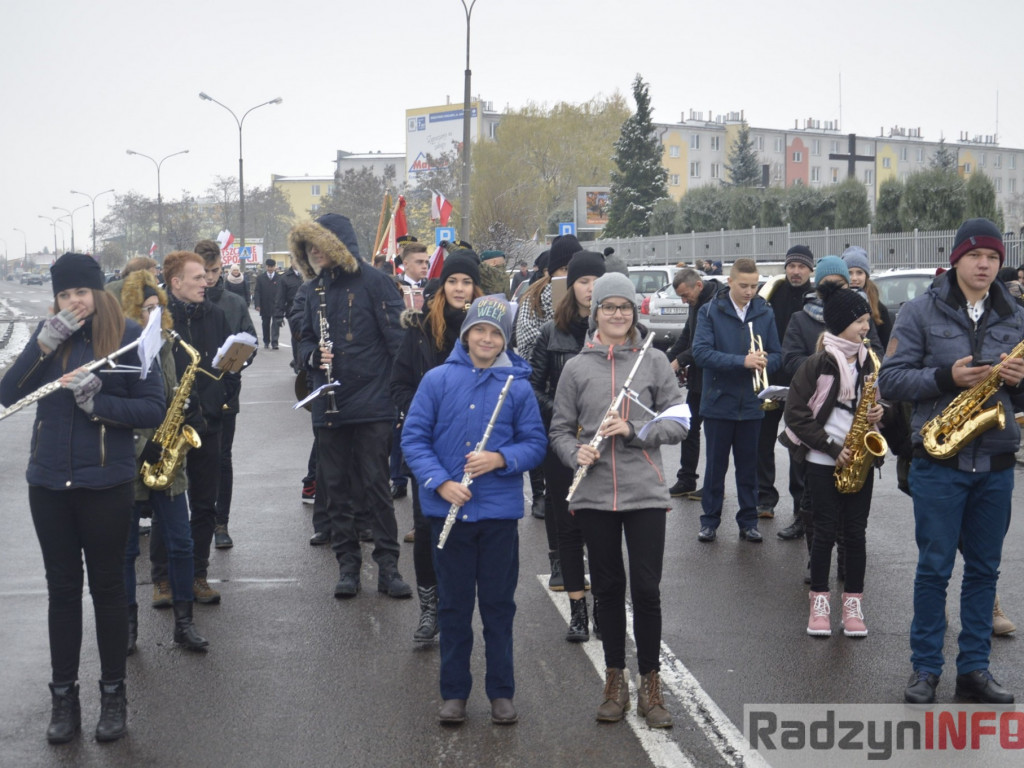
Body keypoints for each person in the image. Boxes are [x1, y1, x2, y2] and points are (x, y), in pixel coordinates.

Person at [0, 253, 165, 744]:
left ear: (99, 292)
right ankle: (63, 697)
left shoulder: (130, 337)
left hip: (105, 484)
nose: (74, 302)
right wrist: (40, 347)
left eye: (81, 292)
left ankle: (113, 695)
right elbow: (9, 394)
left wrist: (99, 404)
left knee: (110, 591)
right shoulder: (46, 337)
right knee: (62, 592)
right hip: (48, 483)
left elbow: (152, 406)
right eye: (65, 294)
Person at [878, 218, 1023, 705]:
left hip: (996, 463)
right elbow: (891, 382)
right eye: (976, 256)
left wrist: (1020, 381)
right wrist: (946, 376)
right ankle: (924, 670)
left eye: (993, 258)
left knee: (985, 570)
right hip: (939, 462)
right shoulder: (918, 311)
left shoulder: (1015, 316)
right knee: (933, 570)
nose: (985, 265)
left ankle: (974, 671)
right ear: (957, 258)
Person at [401, 295, 546, 726]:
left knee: (499, 606)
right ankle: (454, 693)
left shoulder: (516, 386)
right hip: (450, 514)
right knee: (454, 607)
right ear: (467, 335)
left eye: (495, 333)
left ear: (504, 340)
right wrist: (441, 482)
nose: (486, 339)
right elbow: (414, 439)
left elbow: (535, 444)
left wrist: (500, 459)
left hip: (499, 517)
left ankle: (501, 692)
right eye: (479, 331)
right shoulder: (437, 380)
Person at [549, 272, 685, 727]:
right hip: (591, 494)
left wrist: (636, 431)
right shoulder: (576, 367)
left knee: (646, 591)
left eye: (624, 307)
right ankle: (615, 680)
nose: (617, 314)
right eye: (608, 307)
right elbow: (560, 430)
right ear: (596, 312)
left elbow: (680, 422)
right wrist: (574, 452)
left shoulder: (654, 362)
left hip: (644, 492)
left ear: (634, 312)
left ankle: (651, 684)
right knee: (607, 590)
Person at [292, 213, 410, 599]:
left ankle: (388, 566)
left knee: (376, 486)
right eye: (307, 246)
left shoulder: (376, 282)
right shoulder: (312, 291)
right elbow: (305, 341)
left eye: (319, 243)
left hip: (373, 401)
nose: (313, 252)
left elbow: (398, 343)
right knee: (335, 487)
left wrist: (400, 399)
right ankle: (347, 566)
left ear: (338, 244)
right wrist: (313, 358)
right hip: (329, 403)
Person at [391, 252, 483, 642]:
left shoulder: (489, 329)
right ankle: (430, 609)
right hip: (429, 446)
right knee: (428, 527)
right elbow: (398, 385)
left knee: (472, 529)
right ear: (442, 286)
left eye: (467, 282)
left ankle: (457, 606)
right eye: (453, 281)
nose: (460, 289)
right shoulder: (421, 331)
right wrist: (428, 410)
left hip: (477, 449)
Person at [783, 282, 883, 637]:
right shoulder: (817, 363)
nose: (865, 326)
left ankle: (853, 603)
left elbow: (877, 404)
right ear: (840, 323)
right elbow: (795, 414)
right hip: (823, 459)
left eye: (866, 320)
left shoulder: (868, 360)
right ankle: (820, 601)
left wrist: (876, 415)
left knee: (856, 534)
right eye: (859, 320)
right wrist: (829, 446)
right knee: (824, 532)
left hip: (858, 458)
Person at [118, 270, 208, 655]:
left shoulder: (170, 345)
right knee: (125, 551)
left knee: (182, 544)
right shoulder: (118, 351)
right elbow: (115, 408)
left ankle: (184, 626)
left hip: (168, 463)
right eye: (144, 309)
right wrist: (142, 445)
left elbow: (176, 393)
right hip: (129, 463)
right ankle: (126, 629)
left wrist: (192, 412)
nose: (153, 315)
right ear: (129, 313)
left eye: (157, 308)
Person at [530, 251, 606, 637]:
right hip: (562, 440)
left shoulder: (616, 331)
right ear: (570, 286)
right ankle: (578, 609)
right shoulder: (551, 332)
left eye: (597, 281)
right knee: (567, 522)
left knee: (604, 527)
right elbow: (533, 386)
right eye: (583, 281)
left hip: (606, 445)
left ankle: (605, 609)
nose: (591, 289)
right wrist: (563, 415)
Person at [157, 251, 238, 606]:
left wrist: (222, 390)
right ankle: (162, 579)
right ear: (176, 283)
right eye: (197, 278)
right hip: (171, 423)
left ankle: (198, 574)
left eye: (206, 276)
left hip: (208, 421)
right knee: (167, 499)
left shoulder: (216, 314)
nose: (205, 282)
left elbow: (225, 367)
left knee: (204, 503)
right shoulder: (158, 319)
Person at [692, 258, 781, 544]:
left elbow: (778, 354)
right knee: (715, 467)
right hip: (719, 402)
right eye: (743, 285)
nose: (750, 291)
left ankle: (748, 521)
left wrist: (765, 361)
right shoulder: (710, 311)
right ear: (729, 282)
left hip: (752, 403)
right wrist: (742, 361)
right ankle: (710, 522)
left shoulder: (765, 312)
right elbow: (701, 354)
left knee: (748, 468)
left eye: (754, 286)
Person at [195, 240, 257, 550]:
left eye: (215, 271)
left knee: (221, 459)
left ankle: (221, 523)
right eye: (203, 272)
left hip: (224, 394)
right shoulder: (182, 300)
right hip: (189, 395)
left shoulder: (233, 303)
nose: (209, 278)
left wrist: (239, 360)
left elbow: (251, 341)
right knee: (188, 460)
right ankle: (193, 521)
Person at [515, 234, 582, 523]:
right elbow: (526, 345)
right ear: (551, 271)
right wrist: (557, 323)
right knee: (542, 443)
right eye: (562, 269)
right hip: (546, 386)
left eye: (573, 268)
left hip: (584, 390)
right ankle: (541, 494)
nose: (567, 275)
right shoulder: (533, 298)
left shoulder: (591, 295)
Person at [756, 245, 815, 518]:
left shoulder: (816, 297)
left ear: (810, 270)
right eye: (791, 266)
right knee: (763, 442)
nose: (795, 271)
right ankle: (765, 498)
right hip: (770, 379)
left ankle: (801, 503)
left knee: (799, 444)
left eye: (801, 266)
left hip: (803, 382)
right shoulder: (772, 293)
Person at [665, 268, 719, 498]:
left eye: (686, 296)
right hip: (698, 379)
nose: (684, 301)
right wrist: (664, 359)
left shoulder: (718, 302)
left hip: (716, 378)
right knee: (689, 428)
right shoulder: (694, 302)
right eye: (681, 297)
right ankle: (686, 479)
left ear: (699, 285)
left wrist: (678, 362)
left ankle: (714, 485)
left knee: (716, 435)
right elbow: (687, 336)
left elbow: (706, 345)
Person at [842, 246, 892, 349]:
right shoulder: (833, 304)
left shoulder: (879, 309)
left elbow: (887, 347)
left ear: (866, 276)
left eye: (859, 272)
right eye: (849, 272)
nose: (854, 278)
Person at [253, 258, 281, 349]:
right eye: (269, 267)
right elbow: (257, 291)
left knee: (276, 324)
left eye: (272, 267)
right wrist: (257, 304)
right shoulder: (261, 278)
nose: (270, 269)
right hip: (264, 304)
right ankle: (266, 341)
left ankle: (275, 342)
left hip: (276, 305)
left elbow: (282, 292)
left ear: (274, 267)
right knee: (265, 324)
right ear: (266, 267)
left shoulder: (279, 278)